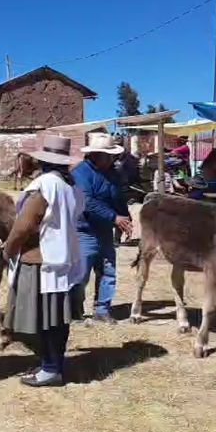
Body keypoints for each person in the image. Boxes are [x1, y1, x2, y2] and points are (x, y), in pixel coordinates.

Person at [4, 135, 84, 387]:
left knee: (46, 319)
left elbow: (24, 226)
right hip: (66, 258)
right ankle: (55, 365)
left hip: (42, 260)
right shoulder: (72, 187)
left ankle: (50, 368)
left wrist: (7, 250)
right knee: (58, 318)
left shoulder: (44, 186)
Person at [71, 132, 131, 324]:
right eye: (108, 155)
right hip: (84, 229)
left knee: (108, 270)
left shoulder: (113, 173)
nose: (112, 158)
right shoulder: (80, 173)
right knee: (81, 273)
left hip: (104, 229)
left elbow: (118, 197)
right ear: (96, 155)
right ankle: (74, 310)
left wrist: (125, 217)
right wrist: (115, 218)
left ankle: (102, 309)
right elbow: (87, 202)